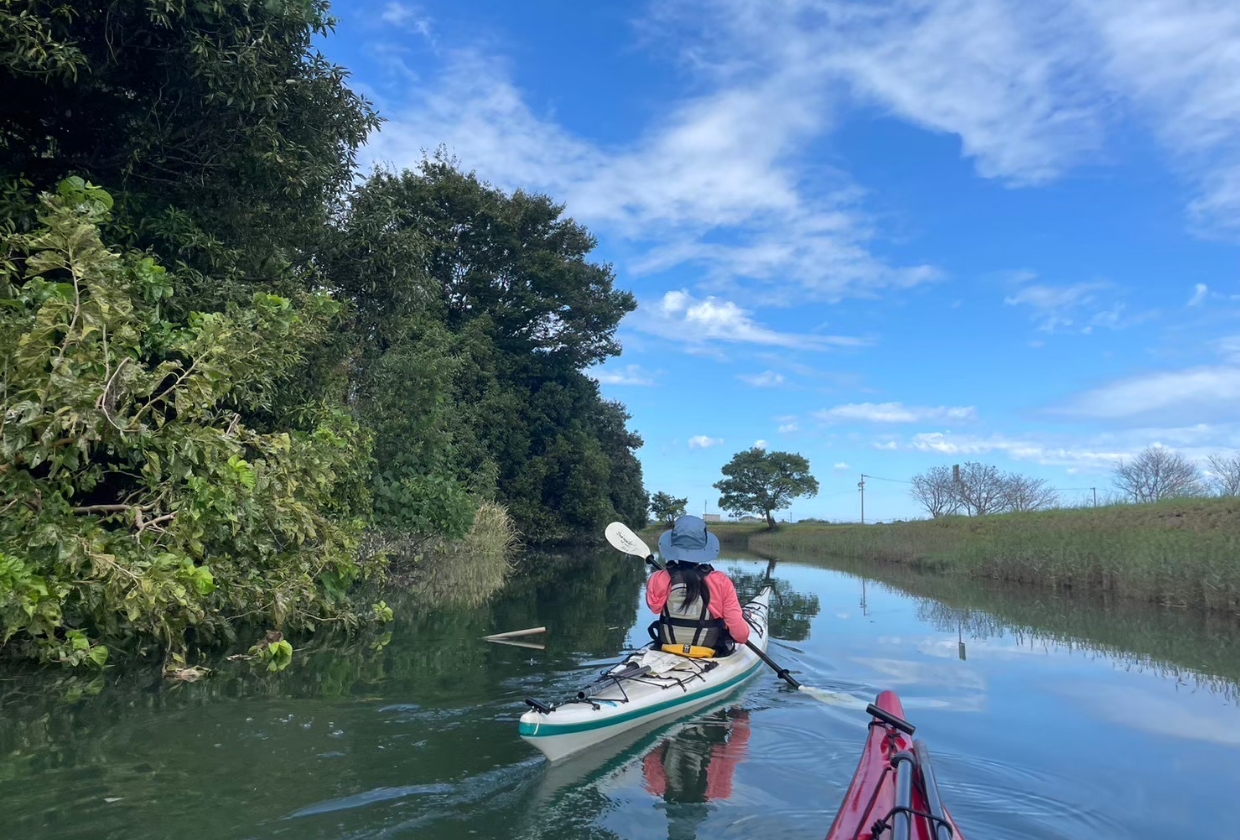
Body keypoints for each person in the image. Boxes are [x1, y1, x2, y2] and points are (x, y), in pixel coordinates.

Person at [646, 515, 751, 657]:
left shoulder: (658, 578)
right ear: (705, 545)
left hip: (668, 646)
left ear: (672, 544)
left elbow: (654, 607)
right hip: (708, 650)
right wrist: (742, 635)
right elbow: (741, 635)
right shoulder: (721, 581)